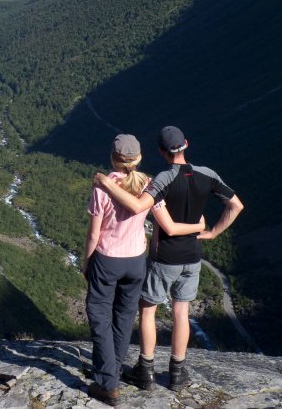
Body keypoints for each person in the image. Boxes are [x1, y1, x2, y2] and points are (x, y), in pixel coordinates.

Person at [94, 125, 244, 392]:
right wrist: (211, 233)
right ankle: (176, 373)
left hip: (165, 257)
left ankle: (146, 370)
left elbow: (139, 205)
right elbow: (236, 205)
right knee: (181, 312)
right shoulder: (207, 175)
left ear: (162, 152)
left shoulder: (163, 178)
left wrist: (105, 183)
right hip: (193, 257)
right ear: (186, 143)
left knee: (148, 310)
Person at [83, 134, 205, 406]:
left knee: (100, 315)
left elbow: (94, 235)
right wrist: (198, 227)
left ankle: (107, 382)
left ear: (114, 158)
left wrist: (87, 261)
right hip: (136, 261)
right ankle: (112, 370)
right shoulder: (149, 185)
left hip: (108, 258)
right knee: (125, 317)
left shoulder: (102, 187)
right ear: (138, 159)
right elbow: (166, 220)